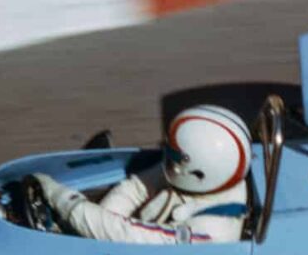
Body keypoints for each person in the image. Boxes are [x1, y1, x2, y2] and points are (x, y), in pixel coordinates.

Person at [32, 104, 251, 244]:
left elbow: (126, 235)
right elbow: (137, 187)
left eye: (174, 155)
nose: (166, 155)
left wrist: (63, 200)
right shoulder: (214, 176)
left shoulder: (205, 234)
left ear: (198, 170)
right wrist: (100, 218)